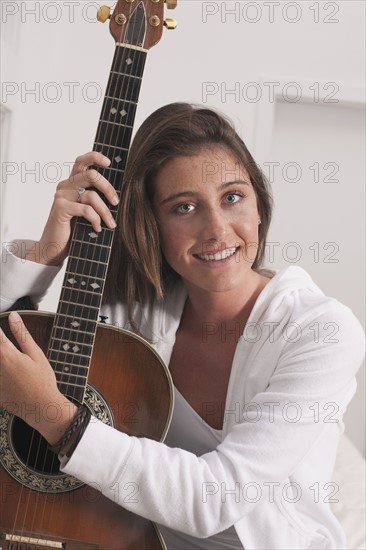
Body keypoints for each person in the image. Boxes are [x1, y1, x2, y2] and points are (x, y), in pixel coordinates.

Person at [0, 102, 364, 550]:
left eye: (232, 197)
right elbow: (13, 364)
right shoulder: (134, 314)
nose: (216, 230)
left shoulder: (321, 331)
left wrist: (54, 416)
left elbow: (215, 500)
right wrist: (45, 254)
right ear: (150, 224)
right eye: (184, 207)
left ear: (259, 205)